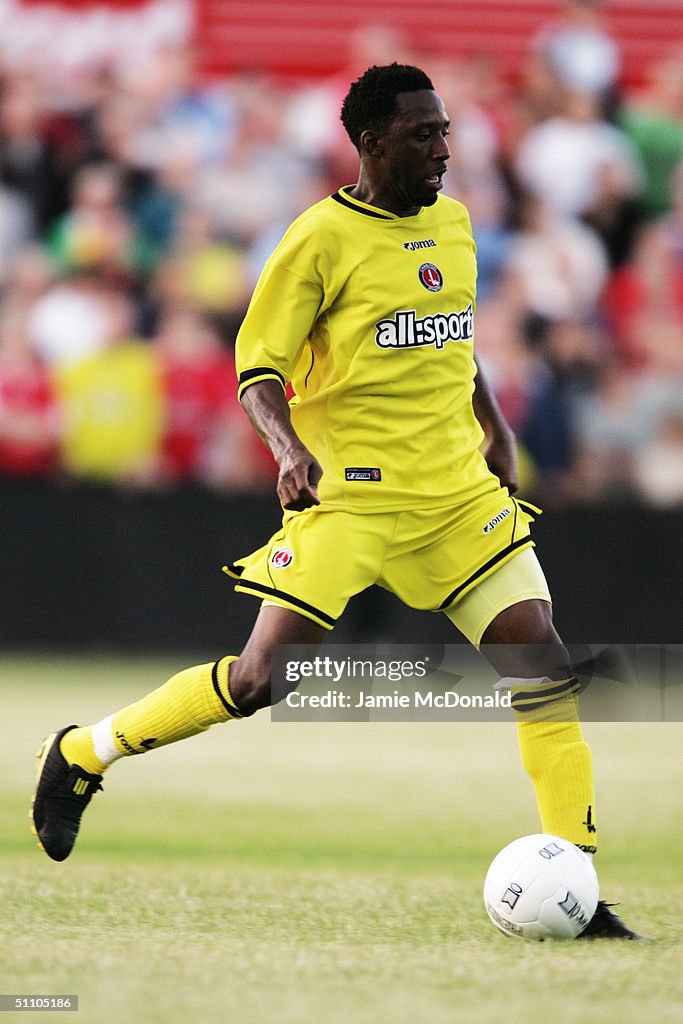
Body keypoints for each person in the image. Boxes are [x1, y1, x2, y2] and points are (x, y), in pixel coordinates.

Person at [31, 63, 638, 938]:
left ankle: (577, 888)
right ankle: (85, 752)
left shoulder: (456, 225)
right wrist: (287, 449)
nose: (441, 148)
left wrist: (496, 428)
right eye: (422, 133)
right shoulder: (317, 238)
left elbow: (454, 343)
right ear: (370, 141)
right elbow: (256, 367)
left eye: (444, 130)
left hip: (455, 498)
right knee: (256, 681)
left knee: (543, 669)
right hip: (350, 499)